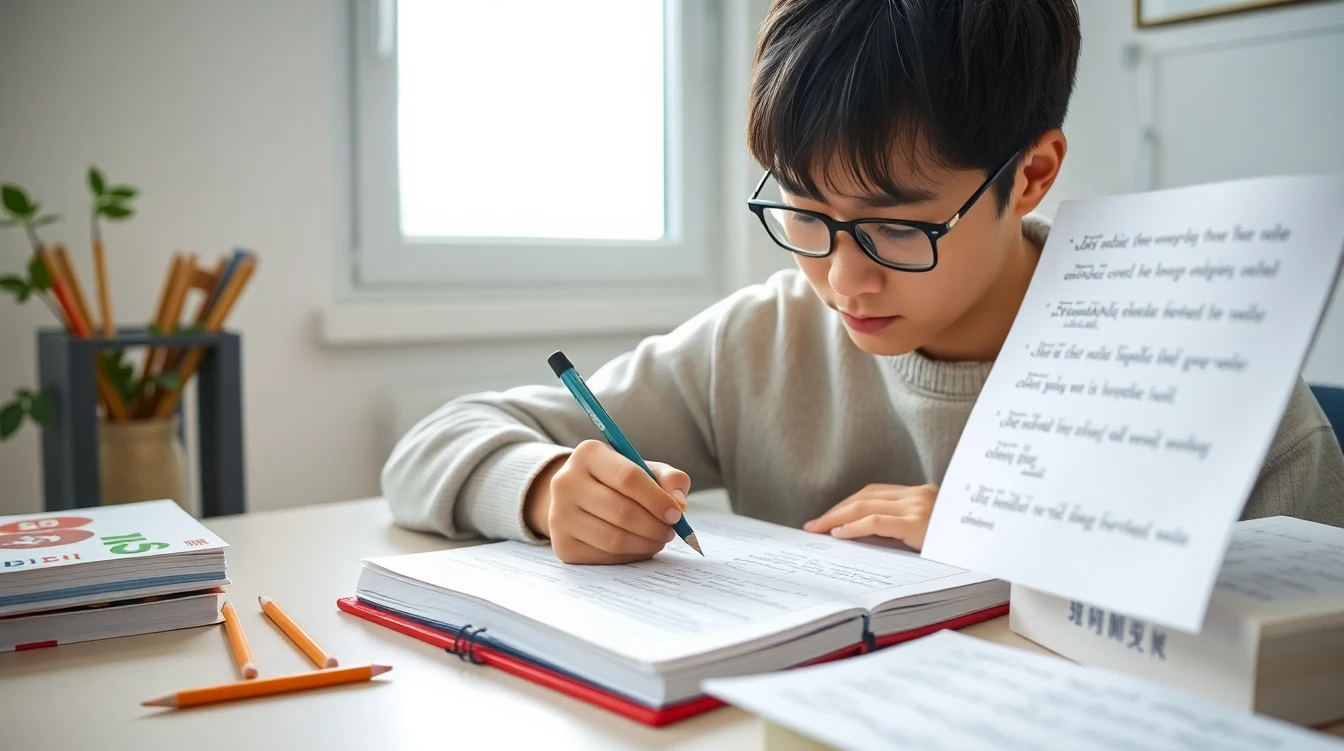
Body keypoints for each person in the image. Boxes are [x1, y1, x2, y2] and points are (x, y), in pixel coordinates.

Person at [382, 0, 1344, 564]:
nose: (840, 278)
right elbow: (435, 442)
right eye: (803, 210)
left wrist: (1023, 537)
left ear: (1035, 173)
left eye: (893, 224)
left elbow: (1317, 618)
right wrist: (548, 485)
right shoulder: (763, 339)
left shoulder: (1202, 359)